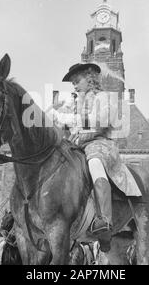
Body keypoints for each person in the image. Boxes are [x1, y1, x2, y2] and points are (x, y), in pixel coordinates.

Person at [48, 62, 141, 252]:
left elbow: (103, 120)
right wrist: (53, 115)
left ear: (90, 80)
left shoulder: (105, 98)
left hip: (99, 145)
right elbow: (58, 120)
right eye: (72, 82)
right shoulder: (73, 103)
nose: (74, 85)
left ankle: (104, 219)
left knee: (95, 164)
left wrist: (71, 120)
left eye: (77, 80)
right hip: (76, 148)